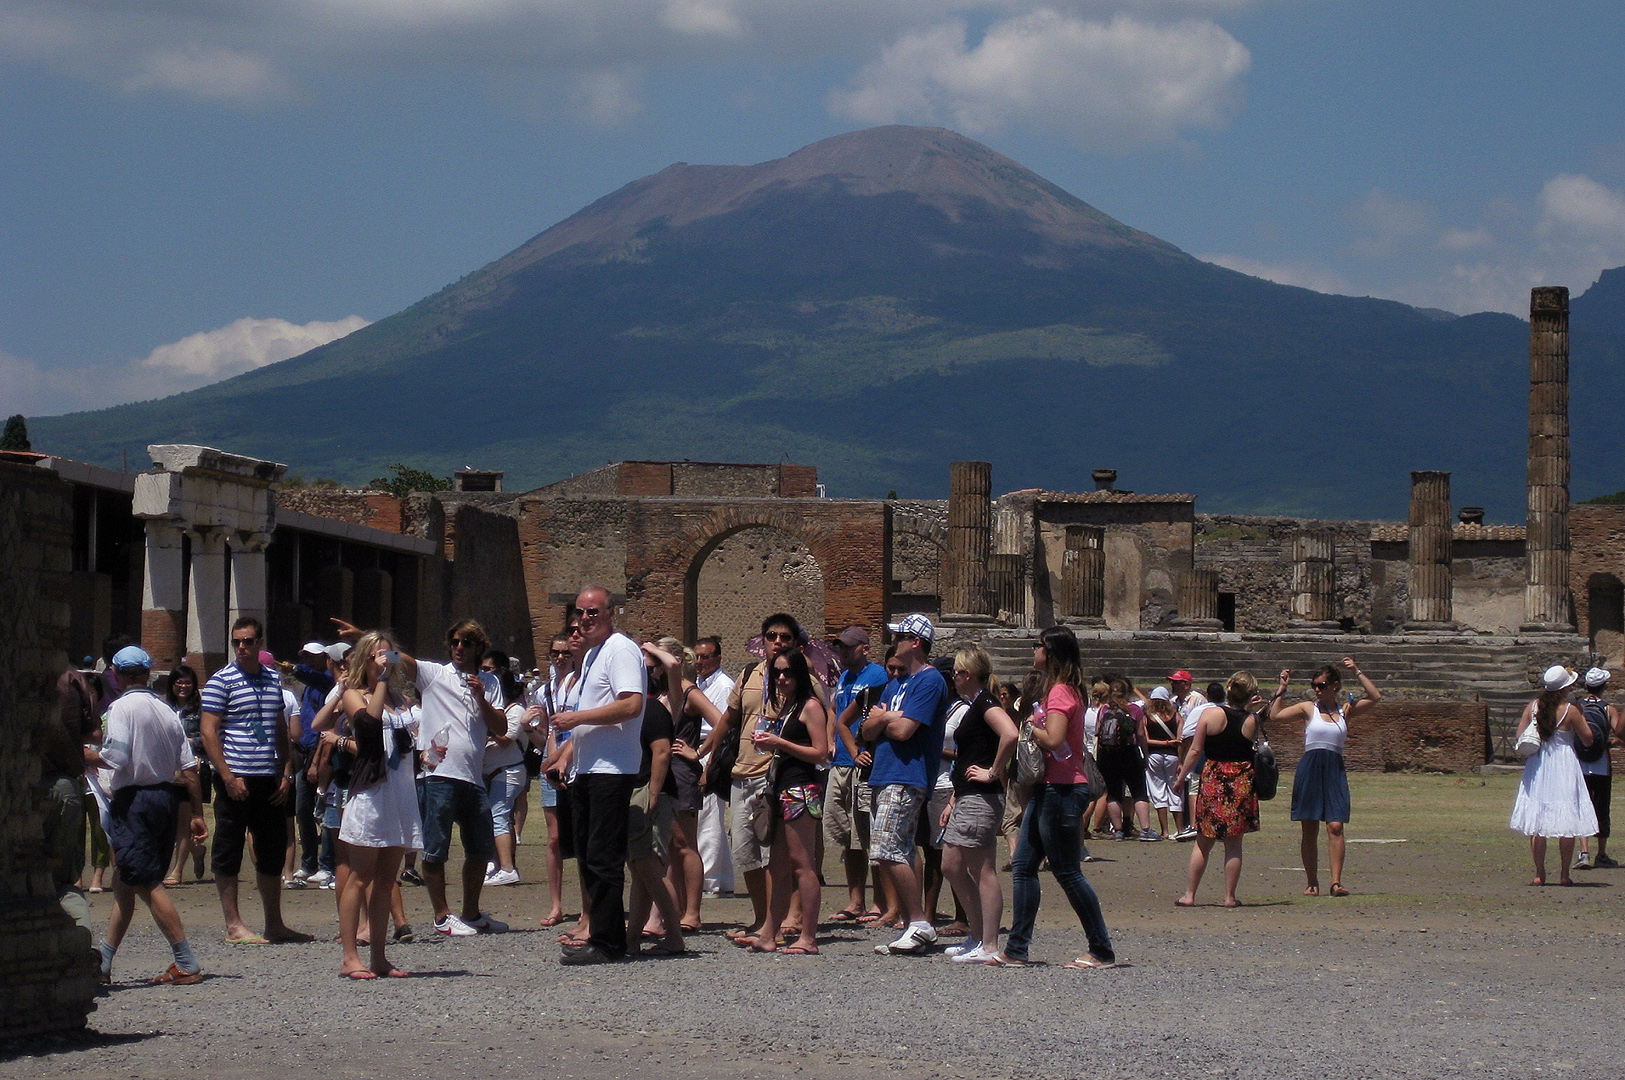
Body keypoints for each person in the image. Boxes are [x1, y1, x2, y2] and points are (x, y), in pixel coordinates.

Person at [335, 616, 508, 937]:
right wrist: (366, 638)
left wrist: (482, 698)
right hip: (438, 774)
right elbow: (404, 659)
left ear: (478, 647)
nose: (458, 648)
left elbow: (500, 728)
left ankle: (471, 913)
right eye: (454, 642)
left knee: (480, 849)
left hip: (473, 776)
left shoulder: (491, 683)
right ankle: (442, 916)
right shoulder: (436, 674)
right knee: (434, 849)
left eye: (465, 643)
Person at [988, 626, 1115, 970]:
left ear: (1051, 652)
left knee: (1068, 872)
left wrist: (1031, 726)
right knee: (1024, 866)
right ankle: (1017, 948)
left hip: (1063, 790)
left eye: (1038, 646)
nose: (1033, 651)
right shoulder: (1067, 689)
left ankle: (1101, 949)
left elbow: (1056, 738)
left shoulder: (1060, 691)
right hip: (1051, 788)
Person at [92, 646, 208, 985]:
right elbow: (189, 767)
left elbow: (116, 755)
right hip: (165, 798)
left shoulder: (121, 707)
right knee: (126, 879)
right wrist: (197, 813)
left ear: (116, 673)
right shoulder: (165, 710)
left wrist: (83, 753)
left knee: (144, 880)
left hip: (134, 801)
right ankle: (104, 961)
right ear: (147, 673)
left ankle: (186, 960)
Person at [696, 613, 807, 946]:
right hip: (742, 772)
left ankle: (783, 921)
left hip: (777, 774)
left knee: (777, 855)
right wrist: (701, 755)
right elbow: (727, 720)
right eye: (771, 636)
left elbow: (821, 715)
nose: (777, 642)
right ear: (763, 641)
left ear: (794, 643)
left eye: (784, 637)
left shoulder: (801, 677)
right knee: (745, 854)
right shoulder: (748, 675)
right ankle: (761, 919)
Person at [200, 617, 311, 944]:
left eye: (248, 641)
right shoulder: (222, 681)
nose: (242, 648)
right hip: (235, 774)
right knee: (228, 847)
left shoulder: (271, 680)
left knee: (272, 848)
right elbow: (209, 731)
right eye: (237, 642)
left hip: (268, 775)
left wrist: (286, 771)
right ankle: (233, 925)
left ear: (259, 642)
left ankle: (273, 923)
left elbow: (279, 728)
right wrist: (227, 775)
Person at [552, 585, 647, 964]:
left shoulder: (621, 649)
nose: (584, 620)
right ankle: (599, 932)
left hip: (612, 769)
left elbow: (631, 704)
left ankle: (608, 943)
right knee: (590, 854)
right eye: (580, 613)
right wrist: (566, 753)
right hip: (588, 768)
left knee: (603, 857)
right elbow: (595, 711)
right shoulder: (593, 655)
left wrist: (575, 719)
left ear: (611, 614)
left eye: (593, 612)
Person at [331, 631, 423, 978]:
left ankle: (380, 957)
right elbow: (368, 728)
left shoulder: (400, 699)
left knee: (387, 879)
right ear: (364, 661)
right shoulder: (355, 694)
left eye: (389, 655)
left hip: (400, 791)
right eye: (376, 656)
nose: (384, 661)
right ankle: (350, 955)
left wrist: (426, 753)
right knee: (360, 875)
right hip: (372, 791)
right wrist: (382, 680)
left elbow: (405, 741)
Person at [863, 613, 950, 956]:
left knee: (887, 847)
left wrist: (885, 719)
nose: (893, 643)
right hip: (885, 773)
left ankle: (918, 922)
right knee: (896, 848)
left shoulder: (929, 682)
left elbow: (902, 730)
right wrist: (885, 718)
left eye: (899, 637)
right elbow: (867, 729)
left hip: (907, 774)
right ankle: (915, 922)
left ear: (916, 643)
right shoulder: (896, 684)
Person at [1270, 657, 1382, 896]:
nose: (1317, 690)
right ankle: (1312, 882)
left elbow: (1375, 697)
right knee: (1309, 828)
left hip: (1333, 768)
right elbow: (1275, 716)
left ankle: (1335, 882)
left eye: (1321, 685)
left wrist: (1357, 671)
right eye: (1314, 685)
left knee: (1335, 825)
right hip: (1310, 766)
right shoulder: (1308, 708)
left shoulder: (1346, 711)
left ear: (1335, 686)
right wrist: (1282, 689)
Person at [741, 649, 829, 954]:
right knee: (777, 867)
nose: (781, 678)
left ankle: (809, 937)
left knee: (803, 865)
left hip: (801, 790)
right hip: (780, 787)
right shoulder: (788, 707)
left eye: (788, 672)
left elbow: (821, 753)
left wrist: (779, 742)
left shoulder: (810, 706)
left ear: (800, 676)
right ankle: (769, 933)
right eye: (776, 672)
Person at [939, 645, 1017, 964]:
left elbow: (1010, 734)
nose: (953, 678)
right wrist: (955, 798)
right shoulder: (974, 704)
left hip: (982, 797)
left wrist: (993, 772)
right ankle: (976, 934)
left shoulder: (985, 702)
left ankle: (988, 944)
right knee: (951, 865)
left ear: (967, 675)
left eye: (956, 672)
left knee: (981, 868)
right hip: (967, 795)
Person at [646, 637, 718, 934]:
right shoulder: (658, 692)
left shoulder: (688, 690)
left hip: (682, 772)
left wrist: (698, 752)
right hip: (661, 771)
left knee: (684, 844)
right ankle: (670, 909)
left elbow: (721, 720)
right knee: (666, 845)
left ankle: (692, 912)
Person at [1174, 671, 1262, 908]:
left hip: (1214, 777)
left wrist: (1181, 778)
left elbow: (1195, 750)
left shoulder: (1209, 714)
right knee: (1234, 843)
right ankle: (1229, 897)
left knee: (1203, 841)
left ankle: (1190, 894)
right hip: (1241, 780)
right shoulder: (1251, 720)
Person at [823, 626, 890, 923]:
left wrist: (854, 750)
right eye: (840, 648)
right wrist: (828, 741)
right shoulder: (845, 678)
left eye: (848, 648)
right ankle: (855, 901)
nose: (842, 652)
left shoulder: (875, 676)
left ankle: (879, 901)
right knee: (845, 835)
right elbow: (835, 712)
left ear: (864, 648)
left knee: (866, 834)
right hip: (839, 764)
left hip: (860, 764)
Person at [1510, 665, 1598, 886]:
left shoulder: (1533, 707)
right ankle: (1564, 874)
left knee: (1538, 823)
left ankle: (1539, 873)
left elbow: (1520, 735)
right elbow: (1588, 738)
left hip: (1539, 764)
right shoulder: (1571, 710)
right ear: (1565, 687)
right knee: (1566, 820)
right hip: (1564, 764)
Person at [46, 658, 103, 926]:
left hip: (20, 785)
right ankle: (82, 948)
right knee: (64, 879)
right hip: (63, 784)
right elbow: (93, 732)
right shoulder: (74, 680)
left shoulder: (17, 667)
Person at [524, 632, 575, 926]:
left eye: (565, 653)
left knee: (580, 835)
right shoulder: (544, 692)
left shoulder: (580, 685)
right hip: (551, 763)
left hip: (575, 761)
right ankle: (556, 905)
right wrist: (527, 730)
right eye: (554, 653)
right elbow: (545, 736)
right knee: (554, 837)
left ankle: (588, 905)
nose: (559, 658)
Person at [284, 642, 337, 887]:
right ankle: (309, 863)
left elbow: (323, 727)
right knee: (302, 810)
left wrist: (296, 669)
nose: (308, 660)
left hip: (321, 753)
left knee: (326, 810)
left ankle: (327, 865)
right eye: (305, 656)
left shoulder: (327, 683)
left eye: (313, 656)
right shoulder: (307, 689)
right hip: (303, 753)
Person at [691, 636, 735, 897]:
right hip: (696, 748)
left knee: (709, 817)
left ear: (718, 659)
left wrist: (710, 764)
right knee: (702, 817)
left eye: (705, 657)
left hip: (710, 751)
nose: (699, 662)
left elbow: (722, 728)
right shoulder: (699, 684)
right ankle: (723, 878)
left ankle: (708, 879)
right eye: (697, 657)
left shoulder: (723, 685)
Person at [481, 650, 528, 888]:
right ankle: (500, 863)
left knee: (499, 816)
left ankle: (508, 868)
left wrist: (488, 728)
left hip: (508, 771)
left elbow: (505, 739)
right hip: (498, 771)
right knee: (498, 818)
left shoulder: (516, 711)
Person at [1097, 675, 1155, 841]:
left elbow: (1097, 731)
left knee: (1113, 793)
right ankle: (1145, 830)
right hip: (1129, 753)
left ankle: (1118, 831)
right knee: (1139, 791)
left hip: (1108, 755)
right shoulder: (1134, 710)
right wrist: (1145, 754)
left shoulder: (1104, 710)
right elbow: (1141, 734)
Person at [163, 665, 207, 886]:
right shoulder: (163, 706)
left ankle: (177, 870)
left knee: (184, 820)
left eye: (188, 682)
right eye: (179, 682)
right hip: (164, 769)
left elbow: (210, 736)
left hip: (190, 769)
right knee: (167, 822)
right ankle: (196, 852)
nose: (183, 686)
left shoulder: (200, 708)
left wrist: (191, 742)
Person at [1574, 667, 1620, 870]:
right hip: (1602, 765)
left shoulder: (1578, 707)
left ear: (1586, 686)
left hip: (1579, 764)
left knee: (1583, 806)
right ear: (1604, 687)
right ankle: (1601, 853)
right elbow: (1619, 733)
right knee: (1602, 808)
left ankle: (1584, 852)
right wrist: (1608, 742)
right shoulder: (1609, 709)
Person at [1142, 688, 1183, 839]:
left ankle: (1164, 831)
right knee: (1175, 792)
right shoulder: (1176, 717)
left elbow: (1145, 740)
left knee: (1158, 792)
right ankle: (1180, 829)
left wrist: (1148, 754)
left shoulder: (1146, 717)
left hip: (1154, 755)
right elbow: (1180, 742)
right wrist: (1181, 761)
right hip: (1172, 756)